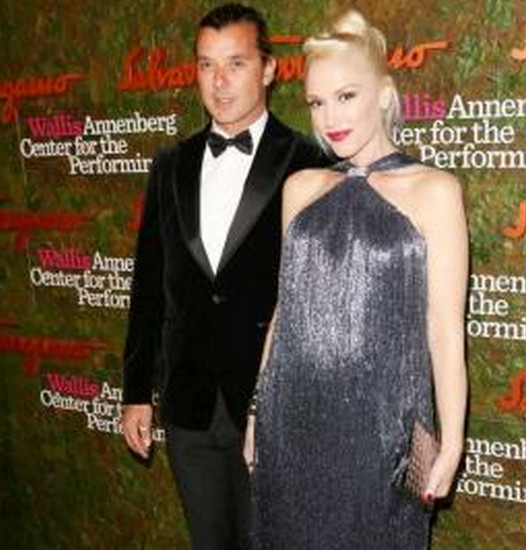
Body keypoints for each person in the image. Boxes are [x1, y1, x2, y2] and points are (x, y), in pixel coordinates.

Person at [245, 10, 469, 550]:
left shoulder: (435, 191)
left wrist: (452, 441)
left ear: (384, 94)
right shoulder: (301, 187)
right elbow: (285, 313)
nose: (330, 118)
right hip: (290, 422)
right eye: (317, 102)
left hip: (387, 433)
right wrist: (255, 414)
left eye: (346, 96)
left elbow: (445, 333)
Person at [120, 4, 328, 549]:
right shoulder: (170, 165)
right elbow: (149, 285)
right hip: (188, 404)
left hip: (274, 406)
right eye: (206, 64)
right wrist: (136, 392)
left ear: (269, 69)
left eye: (236, 63)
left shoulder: (309, 162)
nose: (219, 81)